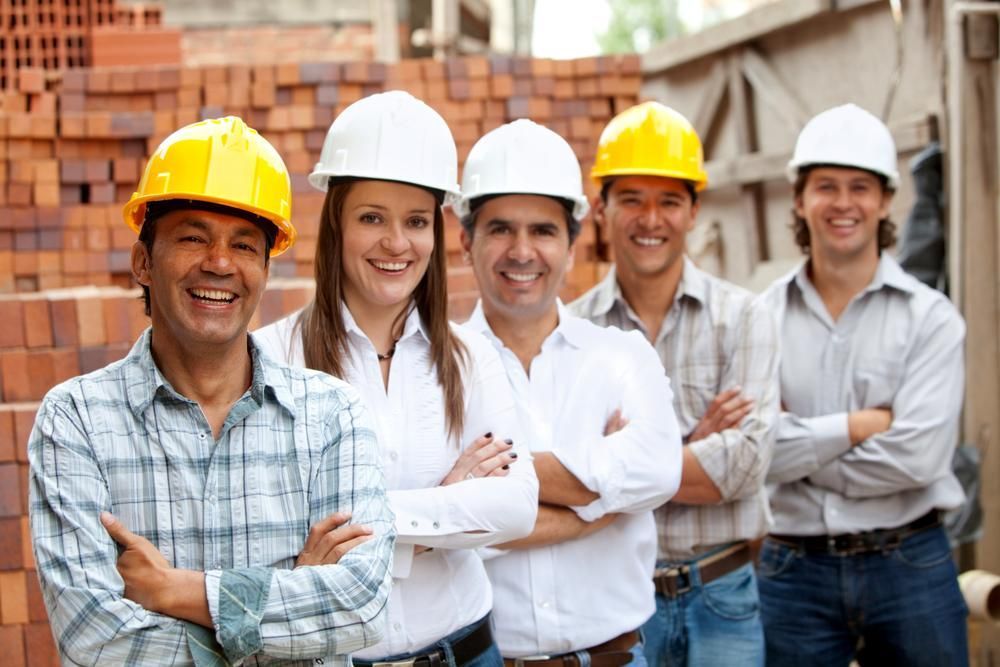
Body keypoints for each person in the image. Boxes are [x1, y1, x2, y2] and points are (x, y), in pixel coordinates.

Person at [27, 116, 395, 666]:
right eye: (193, 237)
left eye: (244, 245)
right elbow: (95, 635)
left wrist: (176, 592)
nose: (219, 263)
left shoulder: (332, 417)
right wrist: (292, 598)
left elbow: (361, 608)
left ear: (266, 270)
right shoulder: (76, 421)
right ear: (143, 262)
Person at [255, 91, 538, 667]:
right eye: (371, 218)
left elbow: (516, 508)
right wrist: (444, 505)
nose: (396, 243)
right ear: (336, 225)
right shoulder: (271, 360)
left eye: (415, 221)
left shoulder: (470, 356)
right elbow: (278, 532)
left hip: (468, 650)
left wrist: (367, 523)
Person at [456, 119, 683, 666]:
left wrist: (494, 486)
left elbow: (658, 469)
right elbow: (451, 527)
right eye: (501, 229)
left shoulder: (623, 356)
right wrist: (605, 502)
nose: (522, 251)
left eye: (543, 231)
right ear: (467, 241)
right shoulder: (436, 370)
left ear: (572, 244)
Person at [758, 103, 968, 666]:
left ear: (885, 201)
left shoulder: (932, 319)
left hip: (911, 565)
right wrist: (859, 426)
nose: (843, 203)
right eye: (825, 185)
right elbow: (752, 453)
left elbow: (918, 458)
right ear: (799, 199)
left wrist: (794, 446)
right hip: (793, 573)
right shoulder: (758, 320)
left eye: (860, 186)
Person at [572, 101, 779, 667]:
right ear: (601, 208)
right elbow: (563, 469)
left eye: (668, 201)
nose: (650, 218)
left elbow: (746, 463)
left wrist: (624, 459)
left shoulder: (744, 318)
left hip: (723, 595)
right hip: (614, 604)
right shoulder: (575, 330)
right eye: (632, 199)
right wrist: (691, 448)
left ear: (693, 211)